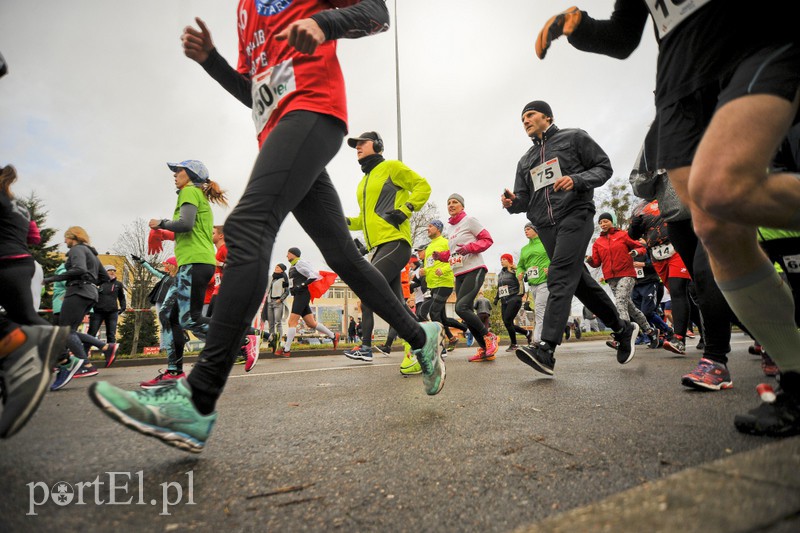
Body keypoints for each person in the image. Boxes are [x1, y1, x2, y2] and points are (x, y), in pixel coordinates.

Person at [90, 2, 446, 453]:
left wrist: (321, 23)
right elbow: (253, 90)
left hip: (314, 111)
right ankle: (421, 336)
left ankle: (196, 401)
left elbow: (377, 12)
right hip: (281, 132)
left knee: (246, 226)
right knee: (343, 256)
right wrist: (212, 62)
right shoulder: (245, 11)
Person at [535, 1, 800, 435]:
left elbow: (600, 170)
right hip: (680, 78)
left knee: (720, 188)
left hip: (747, 42)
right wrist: (580, 30)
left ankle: (710, 353)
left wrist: (580, 185)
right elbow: (624, 36)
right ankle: (795, 371)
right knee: (715, 225)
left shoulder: (574, 140)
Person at [502, 100, 639, 376]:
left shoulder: (574, 137)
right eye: (522, 119)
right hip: (546, 226)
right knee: (580, 284)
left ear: (548, 117)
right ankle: (623, 329)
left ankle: (546, 349)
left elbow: (603, 168)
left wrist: (576, 180)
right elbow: (525, 199)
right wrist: (513, 203)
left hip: (575, 214)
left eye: (530, 115)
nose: (525, 121)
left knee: (560, 274)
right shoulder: (525, 160)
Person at [341, 130, 430, 364]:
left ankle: (366, 347)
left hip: (395, 243)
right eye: (355, 145)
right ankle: (427, 340)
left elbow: (422, 186)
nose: (357, 147)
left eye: (362, 143)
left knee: (367, 287)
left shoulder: (391, 167)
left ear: (377, 145)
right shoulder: (363, 183)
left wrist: (406, 209)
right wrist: (343, 221)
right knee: (397, 304)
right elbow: (365, 218)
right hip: (378, 247)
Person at [139, 160, 226, 388]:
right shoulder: (197, 195)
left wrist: (160, 223)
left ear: (190, 174)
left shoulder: (189, 192)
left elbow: (185, 224)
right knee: (168, 314)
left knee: (188, 319)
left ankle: (242, 339)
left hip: (195, 263)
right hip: (194, 262)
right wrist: (163, 233)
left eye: (178, 170)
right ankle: (174, 372)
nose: (175, 174)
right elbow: (192, 232)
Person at [0, 163, 70, 438]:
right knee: (24, 318)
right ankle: (21, 369)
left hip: (5, 262)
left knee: (24, 321)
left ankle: (57, 352)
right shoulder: (21, 207)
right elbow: (34, 237)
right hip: (22, 262)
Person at [43, 227, 113, 389]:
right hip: (90, 294)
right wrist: (90, 284)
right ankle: (83, 363)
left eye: (66, 238)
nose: (65, 242)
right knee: (70, 331)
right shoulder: (92, 254)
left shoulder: (76, 249)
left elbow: (79, 269)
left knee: (65, 331)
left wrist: (52, 279)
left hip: (77, 291)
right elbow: (104, 277)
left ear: (73, 237)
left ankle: (80, 365)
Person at [434, 194, 497, 362]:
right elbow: (454, 252)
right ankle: (485, 349)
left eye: (455, 202)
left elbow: (487, 240)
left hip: (474, 269)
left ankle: (489, 336)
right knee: (464, 311)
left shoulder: (470, 221)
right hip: (459, 273)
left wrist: (470, 247)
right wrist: (441, 255)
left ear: (462, 206)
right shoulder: (451, 229)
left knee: (461, 307)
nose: (451, 205)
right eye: (448, 203)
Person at [586, 212, 658, 348]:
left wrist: (636, 252)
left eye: (606, 221)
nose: (603, 224)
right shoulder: (598, 243)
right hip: (611, 279)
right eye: (600, 222)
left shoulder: (623, 235)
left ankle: (624, 336)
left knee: (620, 303)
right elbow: (596, 262)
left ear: (611, 221)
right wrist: (590, 261)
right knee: (631, 308)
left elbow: (640, 247)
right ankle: (651, 331)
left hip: (627, 274)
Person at [277, 247, 339, 357]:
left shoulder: (300, 263)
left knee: (292, 322)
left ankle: (286, 350)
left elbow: (313, 275)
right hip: (298, 295)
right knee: (311, 323)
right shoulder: (293, 266)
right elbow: (295, 281)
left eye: (288, 254)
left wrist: (301, 285)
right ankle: (333, 336)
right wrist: (288, 285)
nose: (287, 256)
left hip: (302, 294)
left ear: (294, 254)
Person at [421, 220, 465, 351]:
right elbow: (429, 265)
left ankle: (440, 347)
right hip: (433, 284)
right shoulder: (429, 247)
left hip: (444, 282)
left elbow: (456, 259)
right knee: (442, 318)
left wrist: (444, 270)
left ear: (438, 229)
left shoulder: (446, 242)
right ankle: (460, 333)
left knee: (433, 312)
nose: (427, 228)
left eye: (430, 226)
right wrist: (424, 271)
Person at [517, 222, 550, 344]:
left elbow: (555, 256)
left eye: (528, 229)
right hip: (532, 284)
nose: (526, 231)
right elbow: (520, 266)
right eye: (524, 229)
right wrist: (519, 274)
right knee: (542, 310)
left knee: (540, 309)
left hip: (545, 281)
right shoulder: (524, 249)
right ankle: (557, 330)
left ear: (536, 230)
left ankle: (537, 340)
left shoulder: (545, 243)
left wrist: (551, 268)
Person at [85, 264, 125, 357]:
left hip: (112, 312)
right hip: (97, 312)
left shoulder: (118, 284)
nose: (112, 272)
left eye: (114, 270)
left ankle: (110, 355)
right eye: (110, 270)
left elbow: (121, 297)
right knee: (92, 333)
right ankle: (84, 354)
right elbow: (90, 295)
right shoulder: (97, 282)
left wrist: (123, 307)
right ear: (104, 272)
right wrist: (87, 308)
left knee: (111, 334)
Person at [495, 254, 529, 352]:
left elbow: (524, 278)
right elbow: (500, 288)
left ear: (509, 261)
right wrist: (496, 298)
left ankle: (514, 344)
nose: (501, 261)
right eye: (501, 259)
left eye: (504, 259)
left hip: (514, 298)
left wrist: (520, 272)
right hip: (504, 300)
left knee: (507, 321)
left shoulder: (515, 270)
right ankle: (527, 333)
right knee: (507, 323)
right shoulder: (500, 274)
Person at [263, 263, 290, 352]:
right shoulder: (272, 277)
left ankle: (278, 341)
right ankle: (271, 341)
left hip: (278, 302)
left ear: (282, 269)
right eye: (275, 267)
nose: (276, 268)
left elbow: (287, 291)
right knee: (270, 323)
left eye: (278, 267)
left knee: (278, 322)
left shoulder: (284, 279)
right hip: (270, 302)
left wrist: (280, 300)